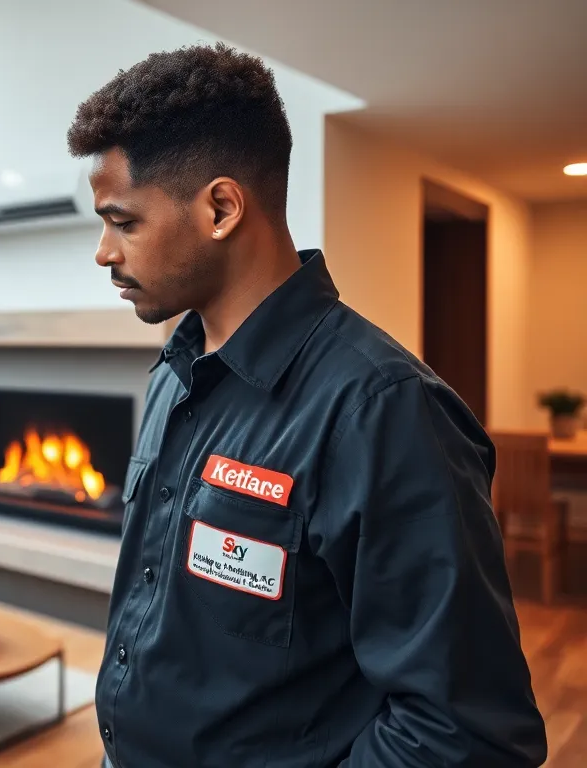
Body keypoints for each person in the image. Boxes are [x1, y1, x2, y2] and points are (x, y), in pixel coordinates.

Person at [66, 42, 547, 767]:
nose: (104, 252)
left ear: (221, 208)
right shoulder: (173, 375)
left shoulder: (385, 412)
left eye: (123, 221)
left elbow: (465, 733)